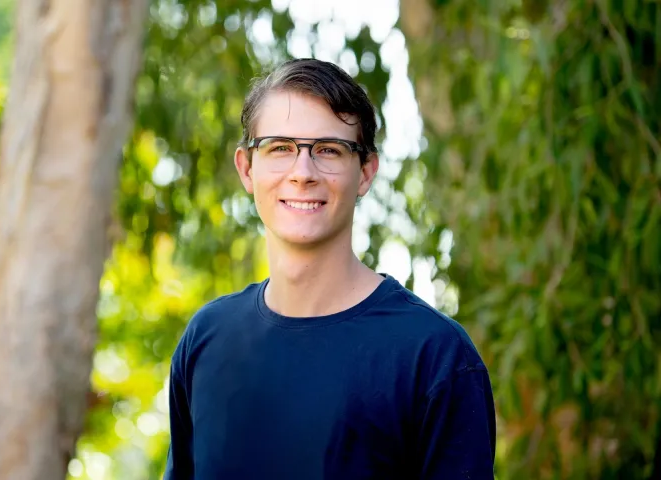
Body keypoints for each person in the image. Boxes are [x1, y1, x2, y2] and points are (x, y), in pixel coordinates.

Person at [163, 58, 495, 480]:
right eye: (280, 147)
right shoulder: (205, 340)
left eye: (328, 150)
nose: (303, 173)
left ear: (366, 172)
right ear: (247, 168)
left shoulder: (434, 357)